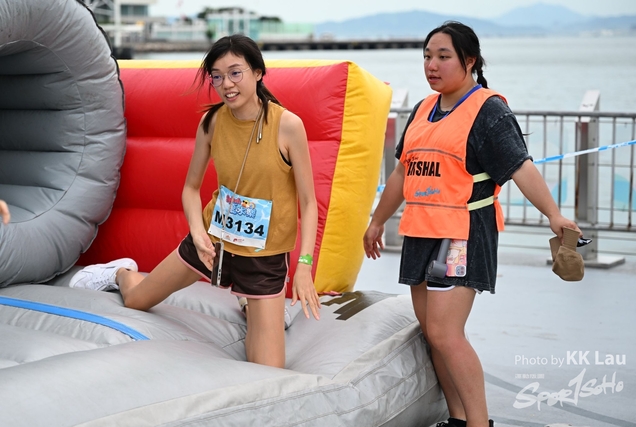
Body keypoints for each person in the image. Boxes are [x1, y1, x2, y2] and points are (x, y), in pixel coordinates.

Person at [363, 21, 581, 427]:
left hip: (462, 233)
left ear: (469, 61)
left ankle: (479, 423)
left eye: (443, 56)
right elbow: (402, 172)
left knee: (446, 333)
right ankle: (458, 419)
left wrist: (553, 214)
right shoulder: (423, 109)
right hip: (420, 231)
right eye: (427, 56)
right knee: (432, 334)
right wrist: (377, 221)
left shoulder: (488, 110)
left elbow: (520, 167)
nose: (432, 65)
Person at [70, 34, 321, 368]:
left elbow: (308, 202)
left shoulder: (288, 126)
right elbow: (190, 188)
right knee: (136, 300)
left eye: (235, 73)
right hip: (211, 242)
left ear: (258, 72)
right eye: (216, 76)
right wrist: (198, 233)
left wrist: (304, 265)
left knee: (267, 369)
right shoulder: (212, 121)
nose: (226, 84)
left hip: (263, 257)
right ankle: (119, 272)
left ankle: (251, 302)